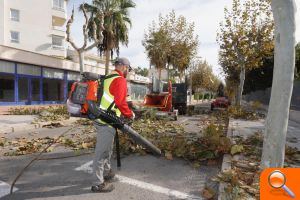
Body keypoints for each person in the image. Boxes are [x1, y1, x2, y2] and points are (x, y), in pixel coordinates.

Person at [91, 57, 135, 193]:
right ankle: (98, 183)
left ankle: (107, 173)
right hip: (106, 120)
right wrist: (129, 114)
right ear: (123, 67)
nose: (128, 71)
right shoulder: (119, 79)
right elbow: (121, 102)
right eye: (128, 68)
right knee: (101, 152)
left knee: (108, 149)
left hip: (102, 117)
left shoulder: (107, 77)